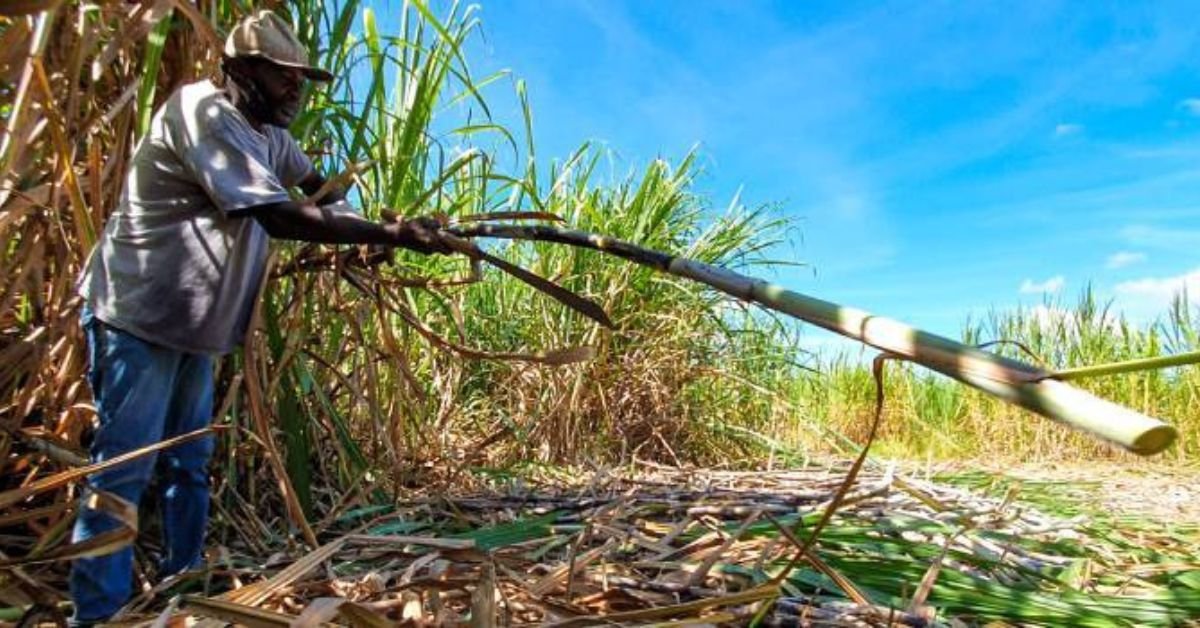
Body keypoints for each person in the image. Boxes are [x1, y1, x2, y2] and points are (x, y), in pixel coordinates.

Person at [70, 10, 449, 625]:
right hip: (137, 317)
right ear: (241, 70)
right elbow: (279, 215)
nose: (296, 90)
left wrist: (374, 230)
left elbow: (320, 191)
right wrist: (392, 234)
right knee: (123, 469)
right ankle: (96, 615)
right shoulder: (204, 114)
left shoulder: (271, 135)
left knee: (188, 466)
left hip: (198, 332)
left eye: (301, 79)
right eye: (283, 77)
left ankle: (179, 585)